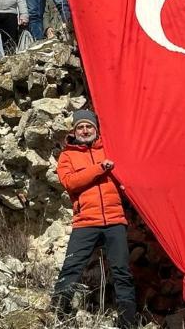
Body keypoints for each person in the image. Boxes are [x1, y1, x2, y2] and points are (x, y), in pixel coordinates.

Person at [53, 109, 137, 328]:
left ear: (96, 129)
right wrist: (100, 168)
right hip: (86, 221)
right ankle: (56, 315)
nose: (85, 130)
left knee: (122, 272)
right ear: (74, 131)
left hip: (115, 221)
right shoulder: (67, 156)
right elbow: (70, 182)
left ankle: (128, 323)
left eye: (89, 126)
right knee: (72, 268)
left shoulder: (110, 149)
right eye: (80, 127)